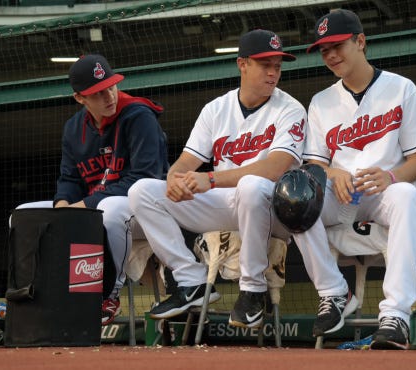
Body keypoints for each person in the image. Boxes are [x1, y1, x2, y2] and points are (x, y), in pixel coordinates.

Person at [128, 29, 307, 329]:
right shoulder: (216, 109)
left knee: (251, 186)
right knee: (142, 191)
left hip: (271, 207)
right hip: (225, 204)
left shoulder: (290, 108)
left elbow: (275, 168)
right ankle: (190, 281)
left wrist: (209, 179)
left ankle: (252, 290)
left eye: (278, 65)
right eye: (266, 65)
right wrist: (174, 179)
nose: (274, 72)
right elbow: (186, 162)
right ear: (243, 65)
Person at [295, 9, 416, 349]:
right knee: (295, 195)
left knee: (407, 195)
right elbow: (313, 166)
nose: (330, 55)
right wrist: (333, 172)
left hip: (382, 194)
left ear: (361, 42)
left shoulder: (402, 89)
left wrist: (391, 175)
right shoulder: (321, 101)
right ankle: (332, 292)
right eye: (323, 50)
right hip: (340, 197)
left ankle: (396, 315)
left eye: (337, 45)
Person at [11, 54, 169, 325]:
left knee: (110, 210)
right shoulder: (73, 128)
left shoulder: (138, 115)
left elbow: (144, 177)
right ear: (80, 98)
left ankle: (109, 295)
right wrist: (62, 205)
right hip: (95, 207)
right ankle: (36, 295)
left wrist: (84, 206)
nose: (108, 96)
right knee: (22, 216)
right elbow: (69, 178)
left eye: (110, 86)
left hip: (150, 209)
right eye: (97, 93)